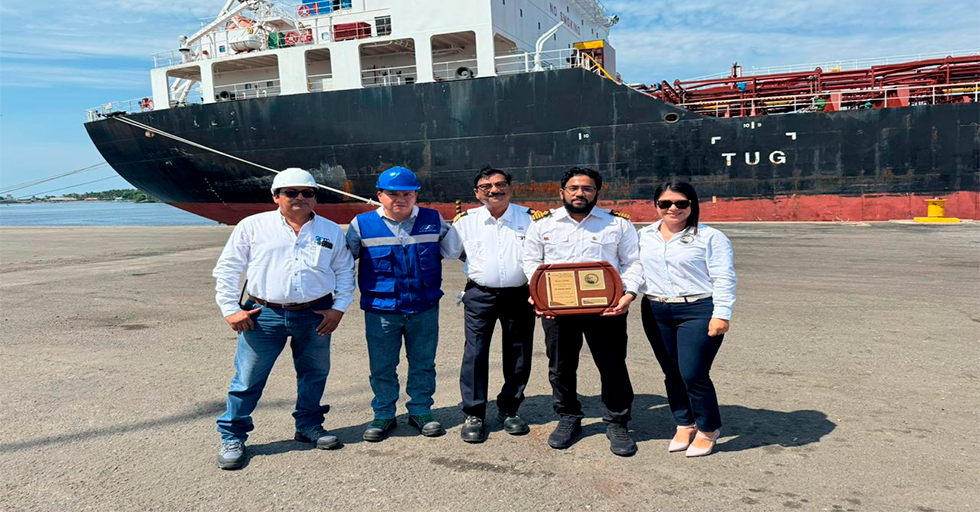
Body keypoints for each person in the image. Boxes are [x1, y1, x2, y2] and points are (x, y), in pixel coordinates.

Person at [212, 167, 355, 470]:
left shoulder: (330, 230)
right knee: (248, 378)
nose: (300, 198)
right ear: (276, 196)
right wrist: (229, 309)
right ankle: (233, 436)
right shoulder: (252, 226)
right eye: (291, 192)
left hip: (315, 314)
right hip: (264, 315)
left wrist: (339, 308)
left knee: (314, 375)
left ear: (315, 197)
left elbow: (344, 272)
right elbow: (227, 268)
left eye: (308, 193)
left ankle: (308, 425)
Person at [522, 167, 643, 457]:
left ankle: (617, 421)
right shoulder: (542, 225)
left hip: (607, 308)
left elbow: (633, 262)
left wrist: (629, 294)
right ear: (561, 192)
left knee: (612, 365)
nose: (580, 193)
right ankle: (569, 417)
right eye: (574, 188)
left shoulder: (617, 225)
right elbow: (530, 261)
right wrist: (540, 293)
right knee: (561, 365)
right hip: (558, 309)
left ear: (597, 193)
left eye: (587, 188)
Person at [346, 166, 450, 442]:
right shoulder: (361, 225)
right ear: (380, 195)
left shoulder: (434, 219)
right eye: (392, 194)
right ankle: (383, 414)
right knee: (382, 366)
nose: (400, 199)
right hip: (382, 310)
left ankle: (421, 411)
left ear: (416, 195)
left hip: (424, 308)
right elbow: (343, 264)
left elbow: (459, 250)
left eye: (407, 193)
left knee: (423, 363)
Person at [636, 179, 737, 457]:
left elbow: (724, 278)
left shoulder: (711, 237)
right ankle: (684, 423)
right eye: (665, 203)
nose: (673, 208)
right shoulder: (644, 236)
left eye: (681, 203)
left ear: (692, 205)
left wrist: (722, 315)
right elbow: (635, 270)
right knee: (672, 372)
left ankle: (708, 429)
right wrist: (626, 293)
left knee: (693, 372)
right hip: (656, 310)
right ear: (656, 206)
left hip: (698, 309)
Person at [441, 167, 536, 443]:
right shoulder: (465, 222)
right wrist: (482, 269)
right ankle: (474, 413)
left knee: (518, 352)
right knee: (475, 353)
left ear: (510, 187)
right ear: (477, 193)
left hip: (520, 295)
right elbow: (450, 251)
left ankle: (510, 409)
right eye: (486, 187)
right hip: (480, 295)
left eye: (500, 184)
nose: (494, 190)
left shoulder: (531, 219)